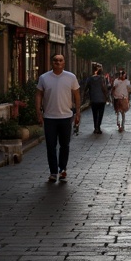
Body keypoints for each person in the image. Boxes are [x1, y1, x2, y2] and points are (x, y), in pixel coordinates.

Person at [35, 54, 80, 182]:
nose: (58, 62)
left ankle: (63, 169)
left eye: (60, 60)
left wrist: (78, 113)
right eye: (55, 60)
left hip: (66, 117)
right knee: (50, 145)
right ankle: (53, 172)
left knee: (65, 145)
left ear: (64, 63)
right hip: (49, 118)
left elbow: (76, 95)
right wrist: (38, 112)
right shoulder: (44, 78)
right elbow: (38, 95)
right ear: (51, 62)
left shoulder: (71, 77)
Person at [82, 63, 109, 134]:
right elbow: (104, 88)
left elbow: (86, 88)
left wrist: (84, 96)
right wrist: (107, 96)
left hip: (93, 99)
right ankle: (98, 127)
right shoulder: (102, 79)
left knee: (94, 114)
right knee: (100, 114)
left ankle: (95, 127)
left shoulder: (90, 79)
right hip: (101, 99)